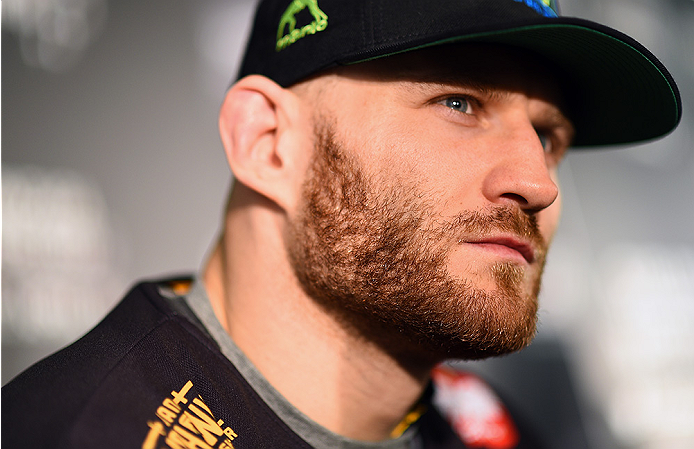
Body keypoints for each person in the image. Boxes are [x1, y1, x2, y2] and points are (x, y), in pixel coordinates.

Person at [1, 0, 681, 448]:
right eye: (459, 102)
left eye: (548, 134)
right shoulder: (80, 430)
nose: (537, 181)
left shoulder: (488, 427)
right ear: (268, 142)